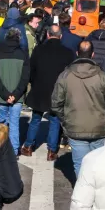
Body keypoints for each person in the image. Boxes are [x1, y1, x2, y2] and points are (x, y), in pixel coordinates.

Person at [51, 40, 105, 176]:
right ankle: (96, 195)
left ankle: (83, 194)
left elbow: (56, 103)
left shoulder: (65, 75)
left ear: (77, 53)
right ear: (92, 54)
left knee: (80, 165)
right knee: (97, 166)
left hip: (75, 126)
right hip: (99, 127)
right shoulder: (102, 76)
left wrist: (66, 120)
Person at [21, 32, 75, 160]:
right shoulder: (67, 52)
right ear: (60, 36)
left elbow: (31, 69)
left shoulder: (39, 49)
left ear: (47, 34)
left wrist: (33, 82)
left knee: (35, 119)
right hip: (58, 89)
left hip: (40, 88)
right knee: (54, 121)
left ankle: (28, 146)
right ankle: (51, 151)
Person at [0, 27, 29, 156]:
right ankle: (14, 150)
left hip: (1, 96)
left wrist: (5, 94)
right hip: (17, 97)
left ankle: (1, 148)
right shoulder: (23, 55)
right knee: (14, 124)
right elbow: (25, 78)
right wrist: (15, 94)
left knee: (2, 123)